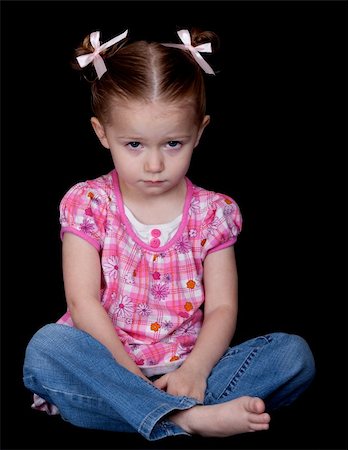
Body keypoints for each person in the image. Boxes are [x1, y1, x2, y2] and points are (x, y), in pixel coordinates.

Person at [23, 27, 315, 441]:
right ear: (102, 133)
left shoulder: (214, 212)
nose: (155, 165)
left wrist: (195, 370)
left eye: (173, 143)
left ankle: (160, 411)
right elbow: (82, 301)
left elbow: (222, 309)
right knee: (46, 349)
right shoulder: (89, 202)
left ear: (199, 131)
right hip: (107, 365)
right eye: (135, 145)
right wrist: (126, 375)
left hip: (188, 370)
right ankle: (185, 420)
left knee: (293, 357)